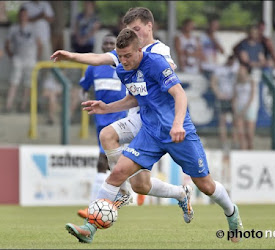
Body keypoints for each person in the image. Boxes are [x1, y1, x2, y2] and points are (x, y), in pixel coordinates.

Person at [65, 28, 243, 244]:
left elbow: (179, 94)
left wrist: (178, 124)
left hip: (179, 133)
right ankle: (89, 228)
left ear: (139, 50)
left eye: (128, 56)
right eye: (120, 57)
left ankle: (232, 213)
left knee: (206, 185)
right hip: (150, 132)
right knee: (117, 172)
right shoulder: (123, 69)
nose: (124, 61)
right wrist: (107, 108)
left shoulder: (157, 63)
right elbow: (135, 98)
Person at [51, 7, 193, 216]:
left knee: (140, 182)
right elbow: (98, 58)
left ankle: (121, 192)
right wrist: (71, 56)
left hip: (154, 122)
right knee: (139, 182)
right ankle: (164, 193)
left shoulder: (159, 51)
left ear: (148, 26)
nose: (134, 34)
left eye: (136, 29)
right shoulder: (127, 52)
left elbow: (168, 70)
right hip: (135, 116)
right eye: (130, 30)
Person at [76, 34, 127, 218]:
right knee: (114, 165)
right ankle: (112, 200)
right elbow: (83, 88)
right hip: (101, 119)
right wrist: (83, 102)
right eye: (105, 43)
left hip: (122, 120)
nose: (108, 45)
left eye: (111, 43)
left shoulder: (125, 66)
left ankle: (94, 207)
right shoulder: (93, 67)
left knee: (105, 162)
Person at [22, 0, 58, 124]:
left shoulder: (45, 4)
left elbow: (51, 19)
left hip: (44, 42)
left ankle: (41, 103)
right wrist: (40, 16)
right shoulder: (26, 5)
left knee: (46, 73)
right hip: (30, 44)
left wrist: (43, 16)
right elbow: (23, 19)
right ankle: (28, 104)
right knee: (32, 75)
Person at [5, 7, 42, 112]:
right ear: (19, 16)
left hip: (31, 59)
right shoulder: (14, 28)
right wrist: (11, 55)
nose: (23, 17)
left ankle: (23, 106)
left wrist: (37, 58)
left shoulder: (33, 28)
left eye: (25, 15)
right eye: (21, 15)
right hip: (18, 58)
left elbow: (40, 45)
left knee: (28, 84)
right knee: (13, 82)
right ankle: (8, 105)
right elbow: (7, 43)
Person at [210, 55, 239, 153]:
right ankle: (224, 141)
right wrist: (218, 93)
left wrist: (235, 95)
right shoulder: (220, 70)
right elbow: (213, 82)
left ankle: (235, 140)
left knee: (235, 120)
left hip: (233, 97)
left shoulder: (236, 69)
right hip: (223, 97)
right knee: (223, 120)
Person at [232, 63, 257, 150]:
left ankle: (251, 150)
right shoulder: (236, 82)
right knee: (241, 133)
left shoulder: (251, 81)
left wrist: (245, 109)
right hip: (239, 107)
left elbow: (252, 96)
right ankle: (243, 150)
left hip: (249, 108)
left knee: (249, 133)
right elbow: (234, 97)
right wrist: (235, 109)